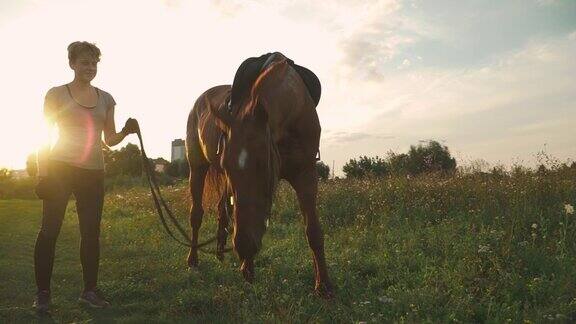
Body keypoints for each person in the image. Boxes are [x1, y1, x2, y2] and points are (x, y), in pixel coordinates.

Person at [32, 41, 139, 312]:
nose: (89, 68)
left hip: (93, 171)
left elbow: (110, 139)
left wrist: (126, 131)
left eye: (93, 63)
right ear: (72, 64)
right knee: (49, 230)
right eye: (83, 62)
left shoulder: (106, 98)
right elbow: (42, 134)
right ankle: (43, 293)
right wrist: (43, 173)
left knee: (91, 234)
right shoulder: (56, 94)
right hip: (60, 168)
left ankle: (89, 291)